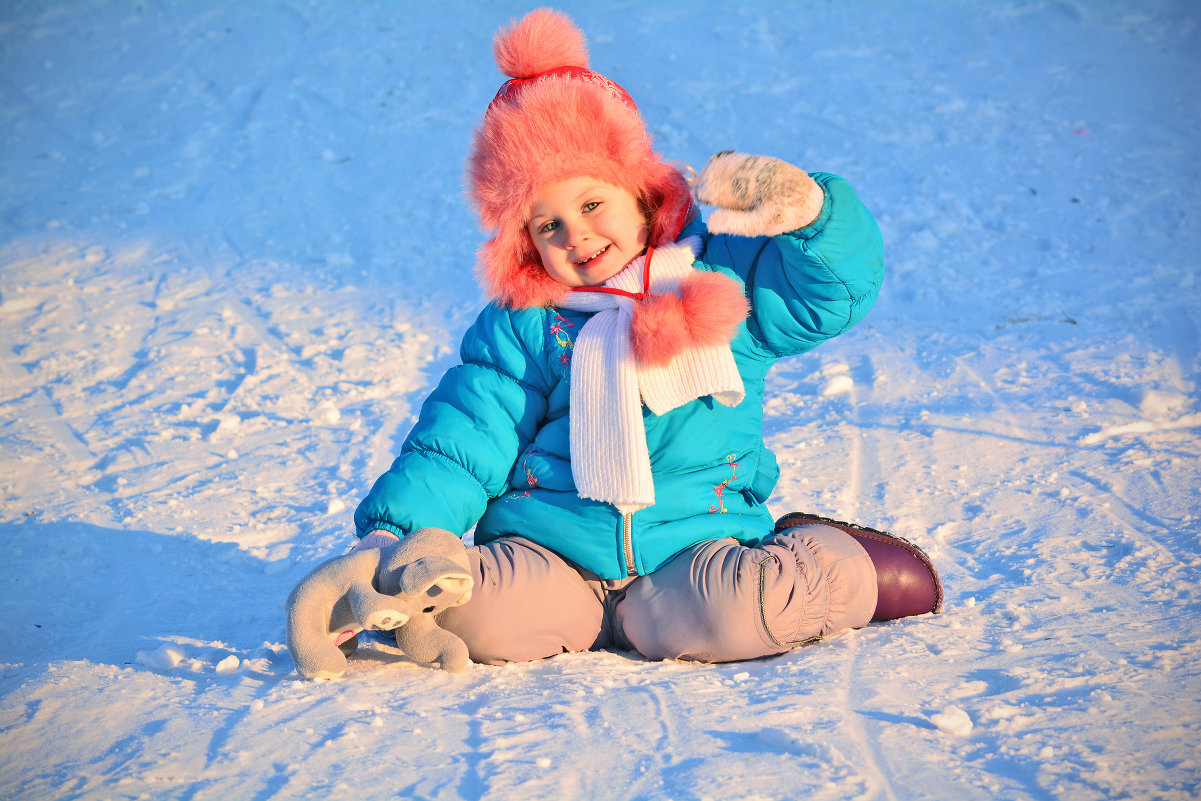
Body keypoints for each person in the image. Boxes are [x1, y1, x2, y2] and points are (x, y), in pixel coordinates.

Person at [349, 9, 941, 666]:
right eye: (547, 226)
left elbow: (827, 294)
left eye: (591, 204)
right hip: (550, 553)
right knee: (469, 621)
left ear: (641, 195)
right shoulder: (524, 324)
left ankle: (842, 562)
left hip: (691, 549)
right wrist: (392, 537)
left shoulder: (718, 275)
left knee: (743, 615)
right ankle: (463, 594)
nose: (574, 233)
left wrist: (812, 214)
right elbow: (462, 444)